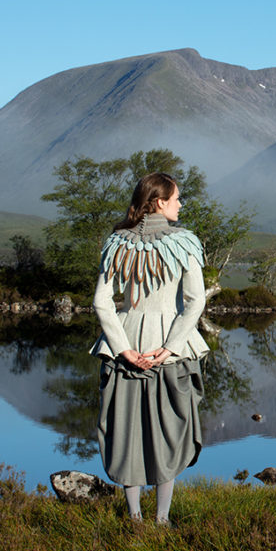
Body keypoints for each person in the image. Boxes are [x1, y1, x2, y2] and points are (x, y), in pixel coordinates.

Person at [90, 172, 208, 524]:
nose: (180, 204)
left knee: (127, 430)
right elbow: (195, 301)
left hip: (124, 345)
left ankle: (134, 519)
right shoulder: (185, 242)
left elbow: (102, 302)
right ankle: (161, 520)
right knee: (169, 431)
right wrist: (171, 348)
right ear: (158, 202)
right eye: (175, 199)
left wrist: (123, 348)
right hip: (167, 348)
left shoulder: (116, 242)